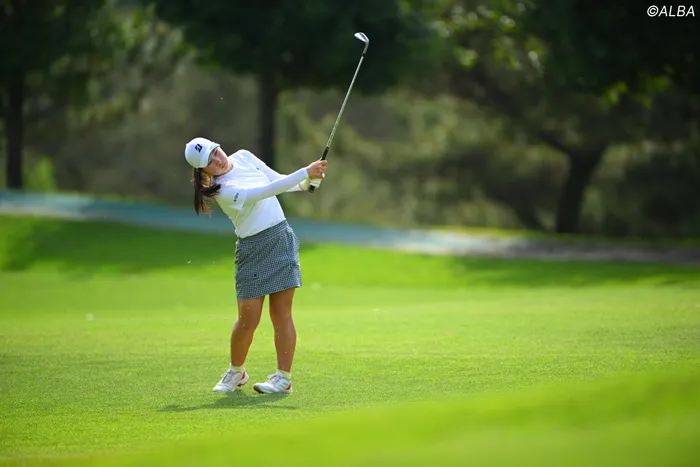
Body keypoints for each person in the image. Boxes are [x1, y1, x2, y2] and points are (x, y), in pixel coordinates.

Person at [184, 136, 327, 394]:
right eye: (210, 161)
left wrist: (306, 182)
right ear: (203, 171)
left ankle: (283, 379)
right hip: (251, 250)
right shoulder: (222, 190)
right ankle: (236, 371)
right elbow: (263, 192)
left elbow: (278, 180)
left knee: (281, 314)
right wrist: (305, 172)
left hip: (280, 240)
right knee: (247, 320)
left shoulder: (244, 156)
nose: (218, 160)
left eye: (216, 152)